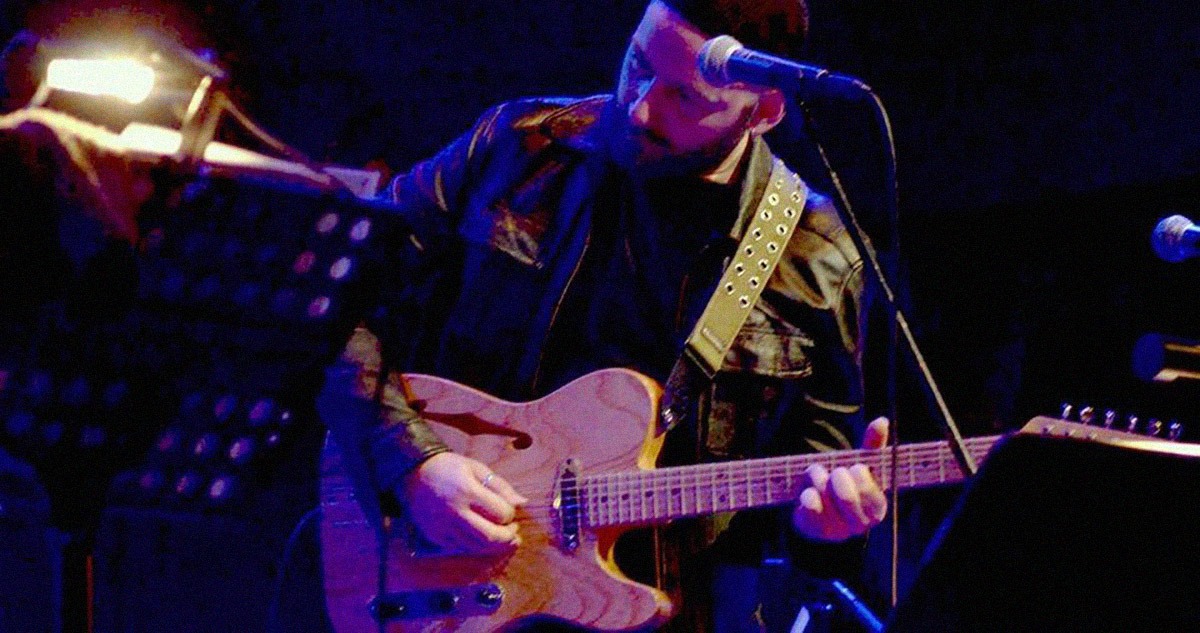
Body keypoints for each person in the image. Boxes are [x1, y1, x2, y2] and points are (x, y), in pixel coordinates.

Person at [319, 0, 889, 630]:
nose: (640, 107)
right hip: (450, 580)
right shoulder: (518, 145)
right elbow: (332, 299)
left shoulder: (816, 256)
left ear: (764, 111)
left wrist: (827, 527)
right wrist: (412, 461)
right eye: (638, 65)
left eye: (683, 97)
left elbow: (815, 499)